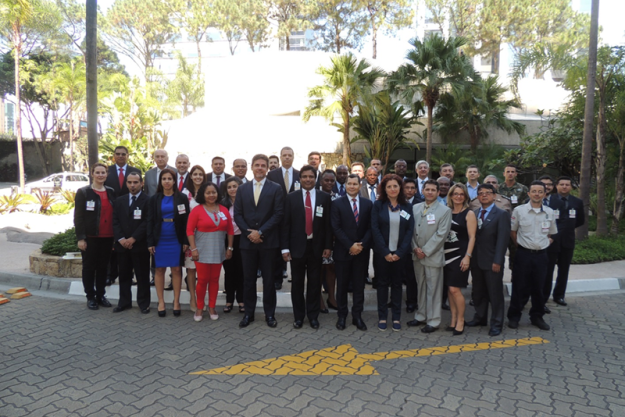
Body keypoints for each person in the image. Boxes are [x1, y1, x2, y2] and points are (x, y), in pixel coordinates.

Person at [234, 154, 284, 328]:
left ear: (267, 168)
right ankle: (249, 314)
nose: (260, 168)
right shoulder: (242, 189)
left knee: (269, 280)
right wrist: (250, 233)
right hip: (247, 243)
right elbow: (238, 214)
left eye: (263, 165)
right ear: (252, 167)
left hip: (268, 242)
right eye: (257, 165)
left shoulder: (276, 188)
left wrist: (261, 232)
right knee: (248, 280)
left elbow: (278, 214)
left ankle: (270, 315)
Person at [281, 165, 332, 329]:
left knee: (314, 283)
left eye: (311, 176)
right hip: (296, 248)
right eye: (304, 177)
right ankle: (298, 317)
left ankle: (313, 316)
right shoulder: (291, 197)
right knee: (297, 283)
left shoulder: (324, 197)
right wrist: (285, 248)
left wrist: (328, 246)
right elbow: (285, 225)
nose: (308, 179)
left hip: (316, 248)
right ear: (300, 179)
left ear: (315, 178)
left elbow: (327, 225)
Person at [507, 181, 558, 331]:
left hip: (541, 256)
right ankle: (514, 316)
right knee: (519, 286)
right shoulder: (519, 211)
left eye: (540, 191)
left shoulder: (549, 212)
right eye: (533, 191)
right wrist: (521, 246)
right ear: (528, 194)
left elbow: (553, 233)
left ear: (544, 194)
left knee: (539, 287)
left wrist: (545, 243)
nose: (537, 194)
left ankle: (537, 316)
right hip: (523, 254)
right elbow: (513, 232)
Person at [407, 179, 452, 333]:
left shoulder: (445, 210)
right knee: (421, 287)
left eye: (433, 190)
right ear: (423, 191)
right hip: (417, 255)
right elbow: (410, 231)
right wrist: (415, 248)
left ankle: (433, 320)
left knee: (434, 289)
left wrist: (425, 250)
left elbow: (441, 235)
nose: (430, 192)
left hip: (432, 256)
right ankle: (420, 316)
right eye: (427, 189)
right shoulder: (415, 208)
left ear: (438, 192)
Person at [371, 174, 414, 332]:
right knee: (382, 285)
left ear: (400, 188)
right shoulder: (378, 205)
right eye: (389, 186)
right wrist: (385, 252)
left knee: (397, 285)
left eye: (395, 186)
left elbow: (410, 230)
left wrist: (400, 252)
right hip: (382, 254)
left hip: (400, 254)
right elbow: (374, 228)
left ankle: (396, 317)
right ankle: (382, 316)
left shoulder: (407, 206)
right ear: (384, 189)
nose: (392, 189)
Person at [467, 183, 510, 336]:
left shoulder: (502, 214)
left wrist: (498, 260)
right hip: (476, 260)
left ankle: (497, 323)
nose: (484, 195)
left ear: (494, 195)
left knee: (495, 294)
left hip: (492, 261)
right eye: (481, 193)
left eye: (487, 192)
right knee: (478, 292)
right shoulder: (474, 213)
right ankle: (480, 317)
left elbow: (503, 240)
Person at [187, 182, 234, 322]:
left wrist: (230, 248)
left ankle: (212, 307)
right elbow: (189, 231)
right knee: (202, 280)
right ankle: (199, 308)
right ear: (203, 194)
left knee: (214, 279)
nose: (211, 195)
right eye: (208, 193)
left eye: (214, 192)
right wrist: (193, 249)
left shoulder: (224, 210)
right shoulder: (197, 210)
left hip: (218, 250)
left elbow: (230, 230)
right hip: (201, 250)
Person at [331, 174, 373, 331]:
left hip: (361, 252)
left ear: (360, 185)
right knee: (341, 285)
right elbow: (336, 227)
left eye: (355, 184)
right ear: (346, 185)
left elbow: (371, 227)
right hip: (343, 251)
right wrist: (350, 245)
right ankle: (342, 316)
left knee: (359, 285)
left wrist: (361, 245)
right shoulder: (337, 204)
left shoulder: (368, 204)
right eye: (349, 183)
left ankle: (357, 316)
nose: (352, 186)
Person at [147, 168, 190, 317]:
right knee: (159, 270)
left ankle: (176, 301)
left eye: (169, 179)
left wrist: (185, 240)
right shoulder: (154, 199)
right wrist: (150, 242)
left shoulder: (182, 198)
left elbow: (186, 221)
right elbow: (150, 221)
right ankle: (161, 302)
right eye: (164, 179)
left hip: (176, 237)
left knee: (177, 269)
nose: (166, 181)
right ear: (161, 181)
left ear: (174, 181)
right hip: (160, 237)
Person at [74, 163, 116, 310]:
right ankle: (90, 297)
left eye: (103, 172)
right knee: (89, 268)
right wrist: (81, 238)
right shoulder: (84, 192)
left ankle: (100, 295)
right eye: (97, 172)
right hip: (91, 237)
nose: (100, 175)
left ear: (107, 174)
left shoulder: (111, 192)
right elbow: (78, 217)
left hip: (108, 236)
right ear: (92, 174)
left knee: (103, 268)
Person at [112, 172, 150, 314]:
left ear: (141, 183)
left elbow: (147, 222)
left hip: (139, 245)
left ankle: (143, 303)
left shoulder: (148, 200)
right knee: (124, 275)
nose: (132, 185)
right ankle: (124, 302)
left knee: (142, 276)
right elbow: (115, 221)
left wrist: (133, 238)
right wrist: (121, 239)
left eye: (135, 182)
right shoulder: (119, 201)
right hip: (122, 246)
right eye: (129, 182)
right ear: (126, 183)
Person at [544, 176, 585, 308]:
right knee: (548, 270)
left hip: (568, 240)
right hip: (552, 240)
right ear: (557, 186)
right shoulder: (550, 200)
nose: (564, 187)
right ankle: (543, 297)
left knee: (564, 270)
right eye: (561, 184)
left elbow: (580, 220)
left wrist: (567, 228)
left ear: (571, 187)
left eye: (567, 184)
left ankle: (559, 296)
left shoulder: (577, 202)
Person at [443, 184, 477, 336]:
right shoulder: (446, 212)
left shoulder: (469, 214)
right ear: (450, 196)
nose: (458, 196)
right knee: (450, 290)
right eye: (455, 194)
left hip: (461, 256)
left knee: (455, 289)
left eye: (461, 194)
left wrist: (467, 257)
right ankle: (453, 319)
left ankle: (461, 320)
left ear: (465, 197)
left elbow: (472, 237)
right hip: (446, 255)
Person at [267, 146, 300, 290]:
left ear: (293, 157)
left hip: (296, 218)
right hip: (277, 217)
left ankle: (296, 278)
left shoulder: (300, 174)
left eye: (289, 155)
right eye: (284, 155)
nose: (287, 157)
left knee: (295, 248)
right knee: (277, 250)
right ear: (280, 157)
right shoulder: (272, 175)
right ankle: (277, 278)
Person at [181, 165, 207, 312]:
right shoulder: (185, 194)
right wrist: (185, 239)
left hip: (207, 236)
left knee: (205, 270)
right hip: (191, 236)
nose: (198, 177)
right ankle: (193, 297)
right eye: (195, 174)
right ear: (190, 176)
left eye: (200, 174)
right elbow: (183, 218)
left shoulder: (209, 191)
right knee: (191, 269)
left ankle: (203, 298)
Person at [499, 165, 529, 276]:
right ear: (504, 174)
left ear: (516, 174)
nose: (510, 173)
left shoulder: (523, 189)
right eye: (508, 171)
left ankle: (515, 281)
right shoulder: (498, 188)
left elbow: (527, 207)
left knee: (515, 255)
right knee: (499, 254)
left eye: (512, 172)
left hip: (516, 226)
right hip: (501, 225)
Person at [221, 176, 245, 314]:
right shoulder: (223, 204)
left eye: (234, 186)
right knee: (229, 271)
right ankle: (229, 300)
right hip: (227, 240)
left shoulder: (246, 202)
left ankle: (241, 300)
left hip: (242, 239)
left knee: (241, 271)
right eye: (229, 187)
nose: (232, 189)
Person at [320, 169, 339, 312]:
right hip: (317, 239)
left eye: (332, 180)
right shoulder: (316, 196)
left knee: (331, 268)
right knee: (318, 269)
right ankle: (318, 299)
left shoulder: (338, 197)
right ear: (321, 181)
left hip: (333, 239)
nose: (329, 183)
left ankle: (331, 297)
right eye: (326, 180)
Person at [402, 178, 422, 313]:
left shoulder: (421, 204)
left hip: (414, 245)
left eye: (412, 188)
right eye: (407, 187)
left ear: (415, 190)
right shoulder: (397, 203)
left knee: (411, 276)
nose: (409, 190)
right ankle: (394, 300)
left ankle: (412, 302)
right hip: (399, 244)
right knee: (397, 275)